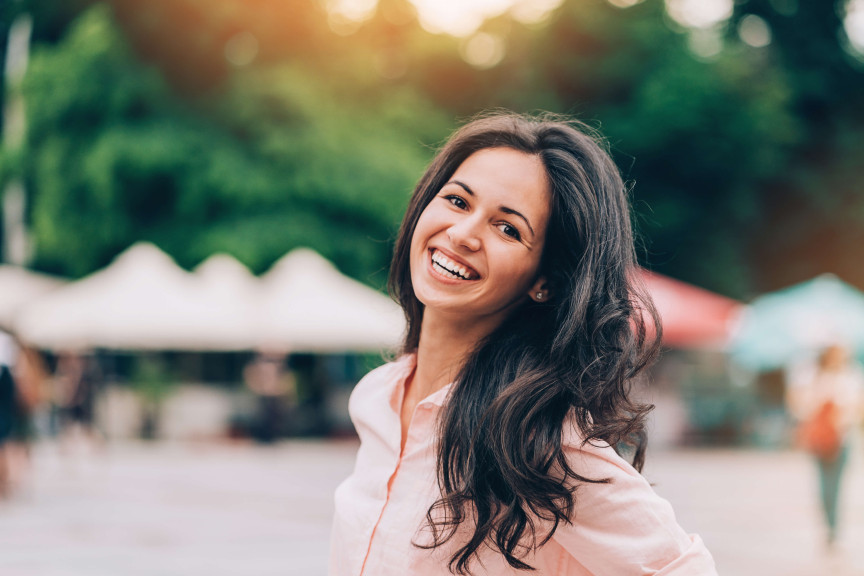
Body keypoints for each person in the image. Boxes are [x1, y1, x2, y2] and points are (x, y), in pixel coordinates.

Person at [329, 112, 717, 575]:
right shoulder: (378, 396)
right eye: (456, 200)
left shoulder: (538, 440)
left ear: (546, 282)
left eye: (508, 228)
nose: (463, 233)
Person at [786, 344, 864, 547]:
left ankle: (833, 527)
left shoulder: (851, 376)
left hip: (843, 438)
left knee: (836, 485)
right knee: (824, 486)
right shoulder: (813, 376)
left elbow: (858, 408)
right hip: (821, 440)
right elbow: (800, 406)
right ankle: (829, 524)